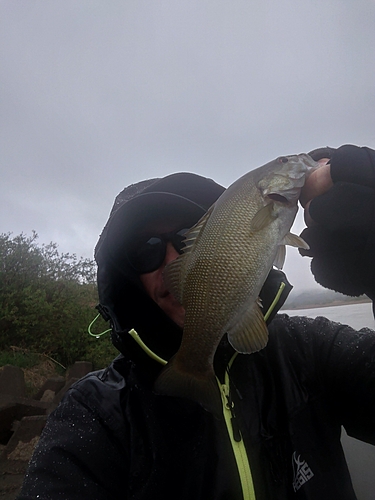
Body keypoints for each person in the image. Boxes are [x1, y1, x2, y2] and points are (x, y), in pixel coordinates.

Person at [19, 145, 375, 500]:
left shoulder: (310, 352)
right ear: (128, 277)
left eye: (189, 236)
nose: (173, 261)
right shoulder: (95, 414)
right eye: (147, 249)